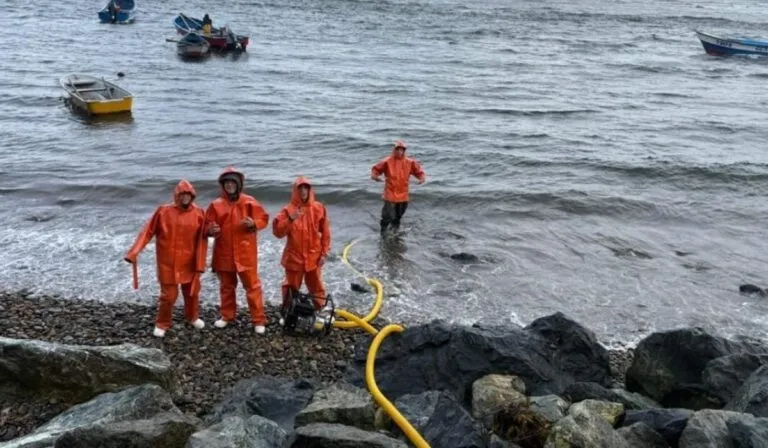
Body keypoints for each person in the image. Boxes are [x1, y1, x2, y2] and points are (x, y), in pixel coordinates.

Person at [124, 180, 207, 338]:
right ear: (176, 195)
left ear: (192, 196)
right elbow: (147, 231)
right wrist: (134, 252)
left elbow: (205, 232)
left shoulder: (199, 213)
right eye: (182, 194)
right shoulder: (163, 211)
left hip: (190, 261)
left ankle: (192, 317)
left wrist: (212, 231)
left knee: (192, 292)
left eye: (188, 195)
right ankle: (162, 323)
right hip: (167, 261)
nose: (185, 198)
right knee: (168, 296)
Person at [205, 167, 270, 334]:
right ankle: (227, 316)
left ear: (238, 184)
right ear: (222, 185)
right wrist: (211, 230)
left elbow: (264, 218)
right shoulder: (215, 205)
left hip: (246, 253)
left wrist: (254, 223)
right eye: (226, 183)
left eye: (232, 182)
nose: (229, 186)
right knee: (227, 286)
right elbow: (206, 225)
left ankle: (258, 319)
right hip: (224, 253)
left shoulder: (250, 201)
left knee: (252, 287)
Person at [272, 177, 331, 313]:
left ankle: (320, 309)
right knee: (291, 287)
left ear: (310, 190)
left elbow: (326, 233)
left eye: (306, 188)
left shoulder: (318, 208)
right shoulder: (288, 210)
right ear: (295, 190)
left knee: (316, 286)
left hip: (314, 256)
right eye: (300, 188)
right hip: (294, 257)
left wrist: (324, 253)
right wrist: (291, 218)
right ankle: (287, 311)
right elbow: (277, 232)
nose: (303, 191)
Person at [370, 140, 426, 234]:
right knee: (387, 215)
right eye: (398, 149)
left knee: (399, 215)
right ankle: (383, 232)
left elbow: (418, 171)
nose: (400, 152)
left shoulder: (409, 162)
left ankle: (395, 232)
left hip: (403, 193)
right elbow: (376, 169)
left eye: (402, 150)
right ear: (394, 150)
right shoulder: (387, 161)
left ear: (404, 151)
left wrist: (421, 178)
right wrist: (375, 176)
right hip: (390, 193)